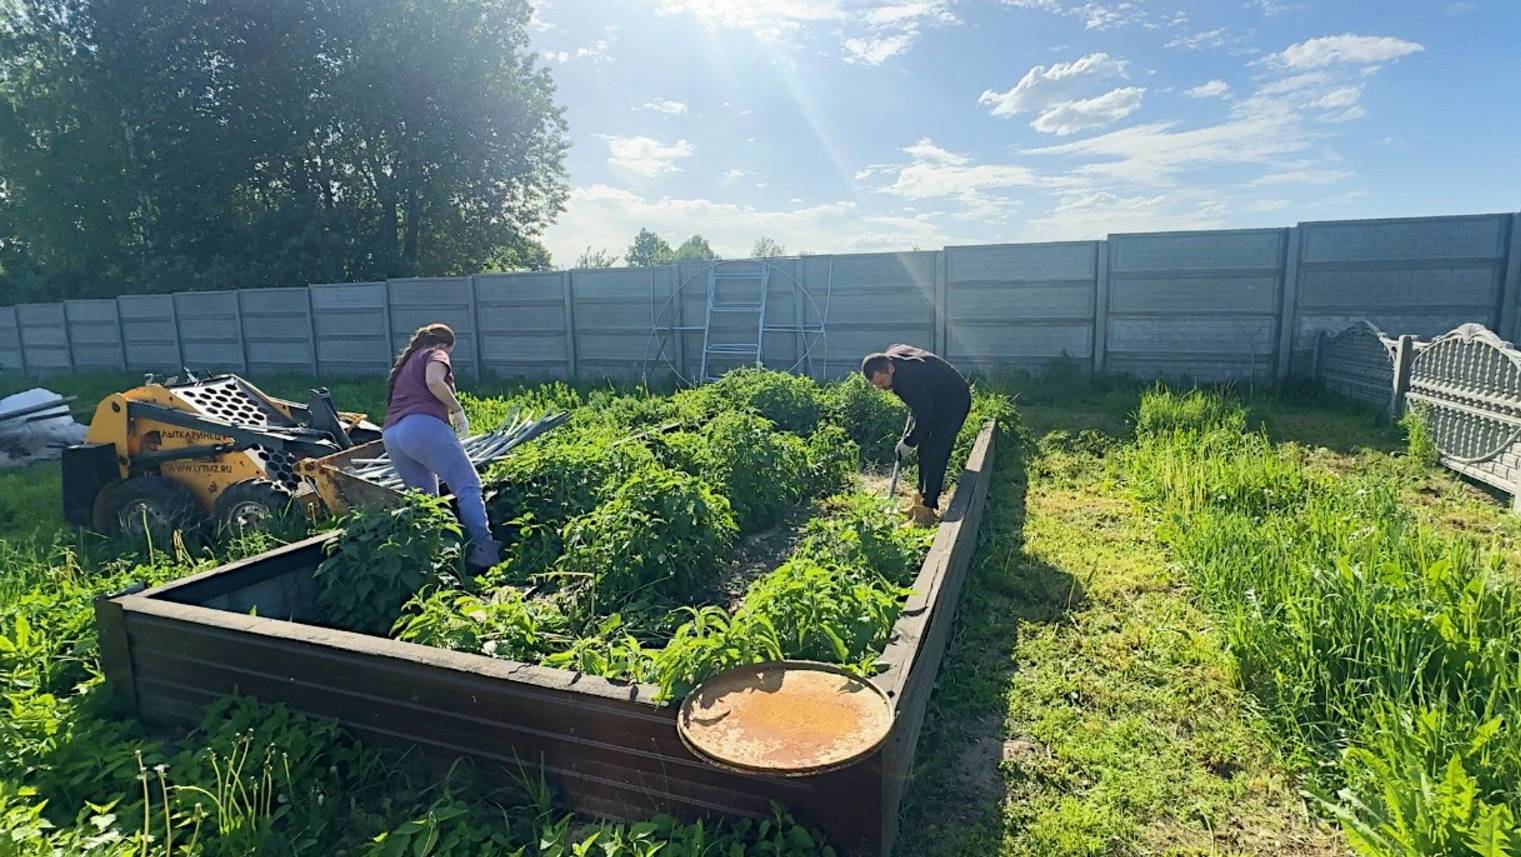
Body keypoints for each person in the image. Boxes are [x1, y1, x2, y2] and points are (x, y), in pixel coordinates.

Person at [382, 324, 500, 570]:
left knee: (425, 501)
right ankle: (484, 551)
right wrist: (457, 410)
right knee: (468, 485)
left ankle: (433, 559)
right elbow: (434, 382)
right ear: (445, 346)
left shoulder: (407, 362)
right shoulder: (436, 353)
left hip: (392, 434)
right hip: (421, 426)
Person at [861, 344, 971, 525]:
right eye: (876, 385)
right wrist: (914, 436)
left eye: (882, 382)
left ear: (890, 368)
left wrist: (909, 441)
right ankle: (920, 499)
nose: (880, 388)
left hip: (953, 401)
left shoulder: (908, 379)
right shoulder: (890, 360)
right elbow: (921, 406)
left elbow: (925, 415)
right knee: (924, 450)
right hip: (933, 398)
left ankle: (927, 512)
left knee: (936, 451)